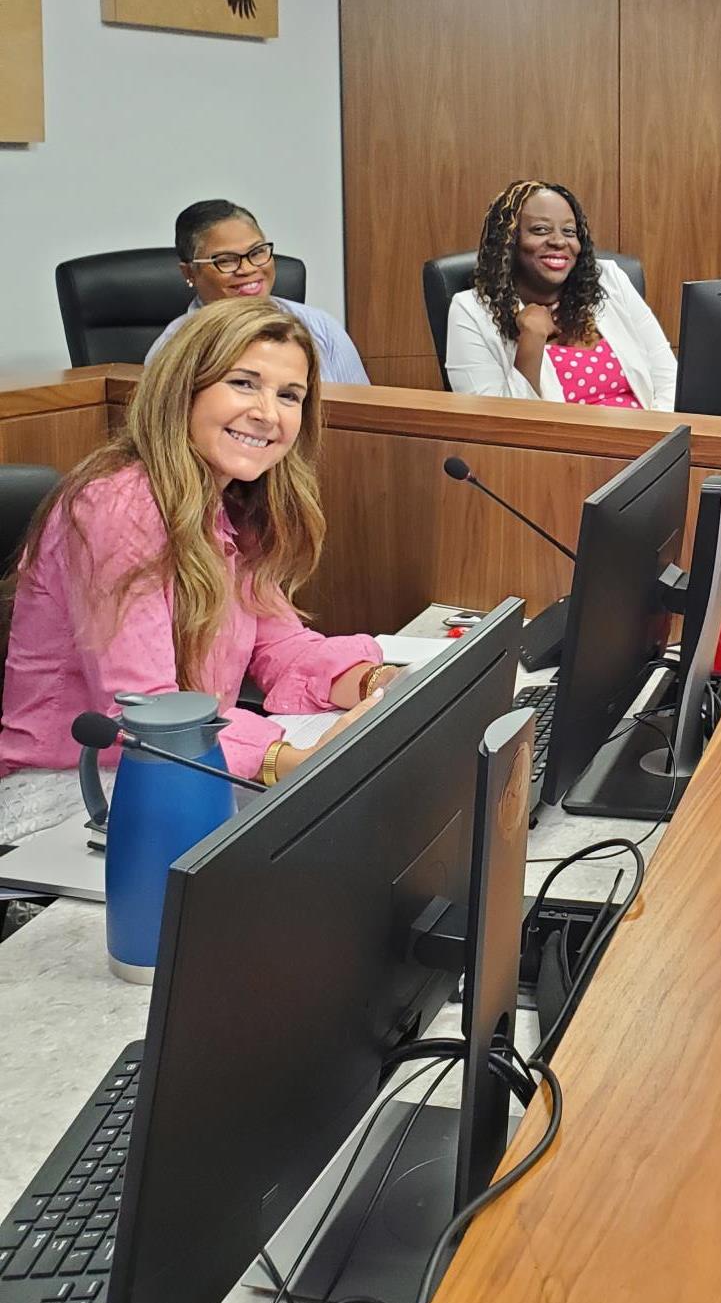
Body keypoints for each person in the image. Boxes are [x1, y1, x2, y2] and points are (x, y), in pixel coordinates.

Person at [0, 299, 401, 842]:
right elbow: (145, 713)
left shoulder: (232, 499)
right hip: (66, 795)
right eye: (243, 383)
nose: (268, 412)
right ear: (184, 389)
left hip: (179, 768)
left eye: (290, 396)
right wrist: (288, 759)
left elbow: (278, 646)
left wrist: (380, 687)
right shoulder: (119, 504)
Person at [446, 181, 676, 408]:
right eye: (540, 230)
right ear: (508, 242)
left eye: (569, 231)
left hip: (649, 437)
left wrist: (661, 439)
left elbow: (668, 380)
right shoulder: (471, 311)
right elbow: (497, 425)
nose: (558, 241)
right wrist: (531, 339)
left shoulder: (609, 279)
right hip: (558, 444)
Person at [145, 199, 370, 385]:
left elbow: (366, 418)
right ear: (189, 273)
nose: (249, 269)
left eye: (257, 252)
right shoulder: (173, 349)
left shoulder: (321, 327)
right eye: (226, 260)